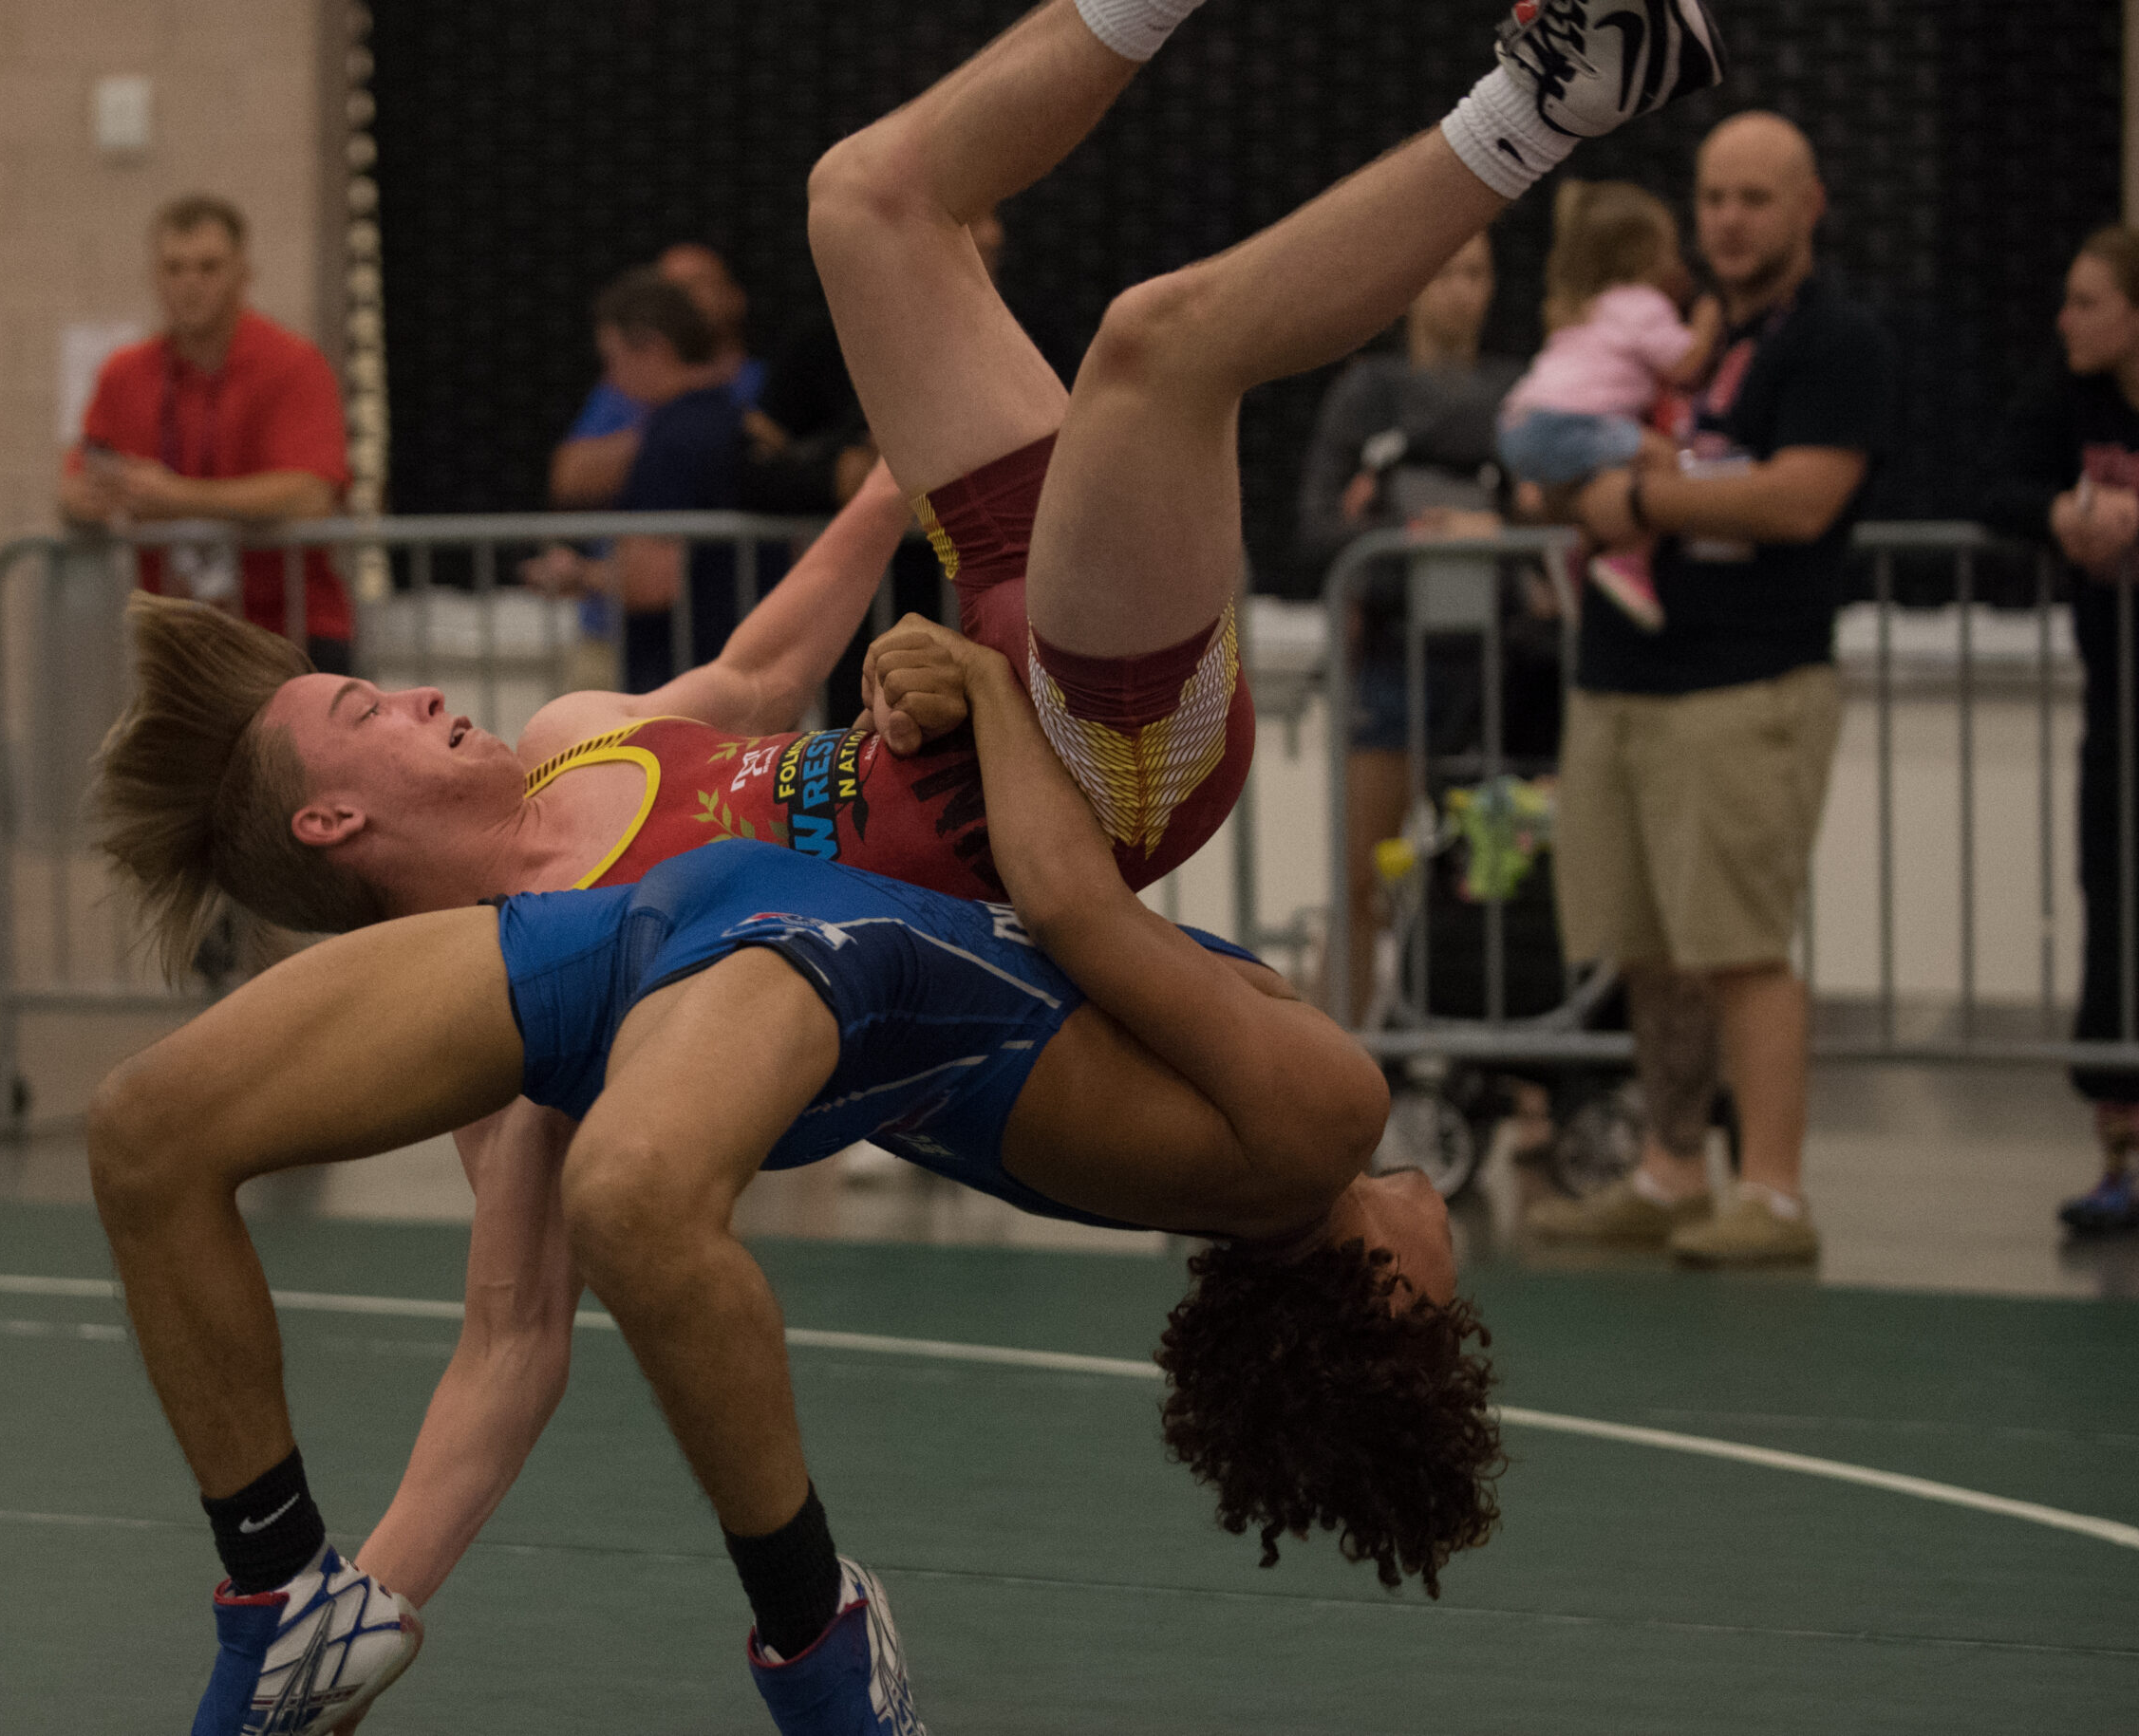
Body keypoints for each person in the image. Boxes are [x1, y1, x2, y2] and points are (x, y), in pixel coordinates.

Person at [96, 0, 1723, 1725]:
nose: (419, 687)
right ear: (337, 823)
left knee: (864, 196)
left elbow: (754, 668)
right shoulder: (539, 1045)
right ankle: (1555, 104)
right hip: (1080, 763)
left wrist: (890, 502)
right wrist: (390, 1591)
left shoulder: (584, 733)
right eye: (367, 703)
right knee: (1157, 349)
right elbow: (510, 1343)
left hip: (974, 678)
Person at [94, 618, 1487, 1733]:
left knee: (631, 1196)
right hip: (668, 928)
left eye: (1449, 1318)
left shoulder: (1322, 1124)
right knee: (145, 1130)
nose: (1453, 1249)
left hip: (820, 945)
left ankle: (818, 1641)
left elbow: (1070, 907)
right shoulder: (1241, 1163)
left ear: (1381, 1302)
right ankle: (281, 1589)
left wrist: (994, 682)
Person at [1527, 112, 1896, 1266]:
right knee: (1647, 944)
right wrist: (1569, 482)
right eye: (1715, 198)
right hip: (1622, 671)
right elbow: (1577, 457)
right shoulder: (1675, 344)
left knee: (1739, 943)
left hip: (1748, 679)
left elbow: (1798, 498)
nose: (1729, 220)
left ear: (1807, 205)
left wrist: (1634, 505)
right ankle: (1670, 1167)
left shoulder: (1834, 340)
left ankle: (1774, 1192)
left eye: (1754, 198)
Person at [1293, 230, 1530, 1019]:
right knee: (1363, 876)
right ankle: (1326, 1072)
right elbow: (1318, 523)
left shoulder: (1516, 391)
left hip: (1498, 663)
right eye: (1445, 271)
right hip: (1392, 657)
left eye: (1476, 273)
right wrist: (1406, 542)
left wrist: (1490, 533)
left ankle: (1525, 1089)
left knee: (1506, 872)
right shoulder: (1371, 391)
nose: (1461, 290)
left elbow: (1545, 513)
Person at [1980, 225, 2139, 1235]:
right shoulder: (2067, 398)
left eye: (2086, 301)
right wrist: (2059, 516)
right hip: (2115, 706)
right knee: (2116, 911)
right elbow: (1990, 485)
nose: (2065, 318)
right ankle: (2119, 1153)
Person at [59, 195, 354, 671]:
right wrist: (88, 498)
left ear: (243, 273)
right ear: (155, 277)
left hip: (289, 636)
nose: (190, 284)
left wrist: (179, 498)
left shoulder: (291, 364)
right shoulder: (125, 373)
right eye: (174, 269)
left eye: (208, 267)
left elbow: (310, 496)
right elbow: (75, 485)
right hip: (180, 641)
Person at [525, 267, 766, 691]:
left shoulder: (671, 436)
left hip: (683, 680)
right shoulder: (735, 419)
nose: (611, 379)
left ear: (653, 349)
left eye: (613, 359)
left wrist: (577, 575)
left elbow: (654, 579)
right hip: (738, 668)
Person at [1499, 178, 1722, 630]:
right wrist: (1708, 319)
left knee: (1603, 480)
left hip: (1520, 422)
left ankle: (1576, 552)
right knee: (1662, 457)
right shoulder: (1640, 305)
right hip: (1567, 422)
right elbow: (1686, 364)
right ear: (1646, 255)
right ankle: (1628, 560)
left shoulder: (1586, 307)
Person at [548, 242, 769, 511]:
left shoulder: (764, 382)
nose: (681, 297)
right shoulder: (623, 398)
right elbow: (568, 479)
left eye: (695, 285)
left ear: (736, 297)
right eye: (668, 288)